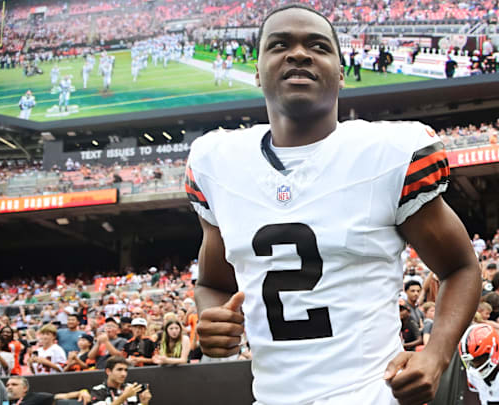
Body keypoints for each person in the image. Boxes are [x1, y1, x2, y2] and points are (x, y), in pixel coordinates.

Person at [190, 4, 481, 405]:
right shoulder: (216, 163)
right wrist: (212, 318)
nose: (298, 54)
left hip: (372, 395)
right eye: (279, 45)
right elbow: (212, 284)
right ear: (256, 69)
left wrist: (436, 355)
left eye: (318, 45)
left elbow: (461, 267)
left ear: (342, 73)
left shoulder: (389, 153)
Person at [5, 376, 91, 405]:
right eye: (7, 385)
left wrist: (82, 391)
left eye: (14, 385)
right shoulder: (2, 401)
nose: (9, 387)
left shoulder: (35, 397)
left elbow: (64, 396)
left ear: (25, 388)